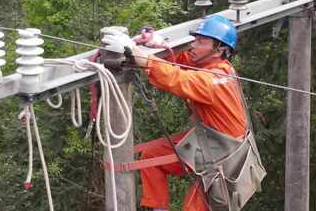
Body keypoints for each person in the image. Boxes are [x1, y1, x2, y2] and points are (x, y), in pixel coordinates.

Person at [106, 15, 265, 211]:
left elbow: (178, 78)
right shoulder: (214, 66)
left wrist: (140, 55)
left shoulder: (214, 81)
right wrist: (160, 45)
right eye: (195, 40)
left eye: (201, 41)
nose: (193, 46)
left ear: (220, 49)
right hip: (211, 142)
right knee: (150, 156)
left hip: (222, 159)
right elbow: (186, 62)